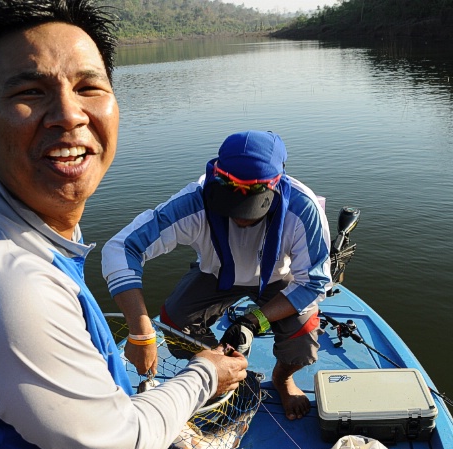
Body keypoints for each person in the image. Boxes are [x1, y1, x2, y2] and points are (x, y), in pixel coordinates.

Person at [0, 1, 247, 449]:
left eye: (88, 86)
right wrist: (206, 374)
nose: (69, 115)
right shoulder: (11, 288)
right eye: (30, 91)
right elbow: (116, 448)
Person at [102, 130, 332, 421]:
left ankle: (283, 379)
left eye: (252, 208)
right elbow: (122, 247)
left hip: (278, 279)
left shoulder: (303, 209)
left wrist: (253, 320)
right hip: (217, 274)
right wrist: (141, 331)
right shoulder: (194, 202)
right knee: (174, 319)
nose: (241, 217)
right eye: (229, 205)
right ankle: (218, 368)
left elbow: (314, 282)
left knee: (303, 336)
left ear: (276, 186)